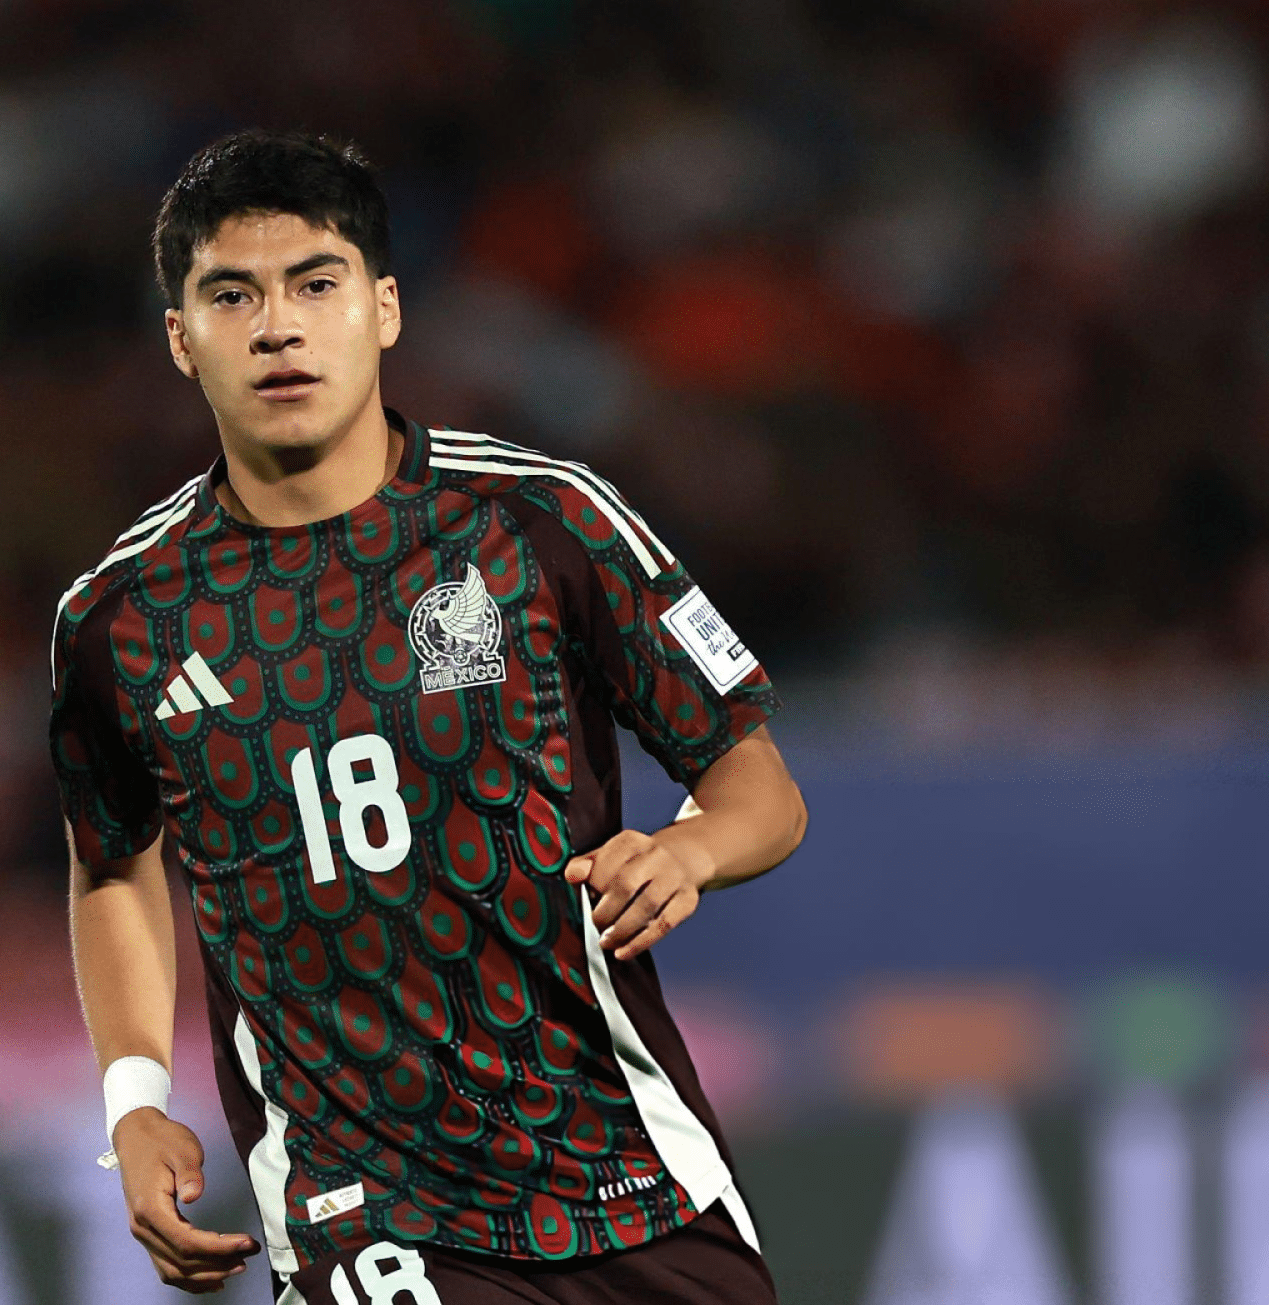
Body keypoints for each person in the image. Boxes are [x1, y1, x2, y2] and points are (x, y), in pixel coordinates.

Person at [50, 129, 808, 1305]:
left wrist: (688, 850)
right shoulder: (122, 617)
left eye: (315, 284)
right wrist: (133, 1103)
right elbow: (111, 864)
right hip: (363, 1212)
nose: (276, 328)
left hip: (626, 1174)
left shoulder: (540, 523)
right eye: (231, 296)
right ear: (180, 338)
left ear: (384, 309)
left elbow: (756, 785)